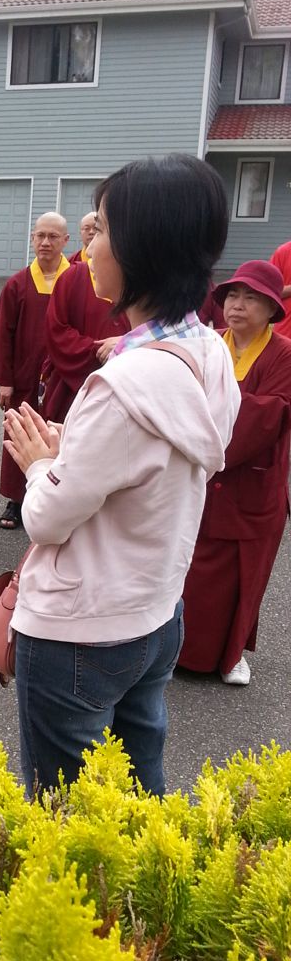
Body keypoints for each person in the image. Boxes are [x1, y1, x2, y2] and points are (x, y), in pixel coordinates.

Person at [4, 155, 241, 798]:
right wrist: (77, 454)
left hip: (81, 631)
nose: (87, 249)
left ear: (142, 248)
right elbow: (147, 468)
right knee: (141, 795)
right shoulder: (210, 352)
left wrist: (42, 464)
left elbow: (45, 518)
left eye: (102, 230)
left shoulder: (122, 384)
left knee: (66, 814)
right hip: (156, 612)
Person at [178, 260, 291, 686]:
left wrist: (200, 431)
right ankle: (178, 649)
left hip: (252, 481)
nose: (238, 305)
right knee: (192, 567)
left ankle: (231, 655)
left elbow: (269, 414)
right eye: (232, 296)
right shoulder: (208, 345)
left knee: (242, 574)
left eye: (251, 298)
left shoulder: (284, 354)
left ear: (272, 308)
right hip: (202, 477)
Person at [0, 212, 70, 530]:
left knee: (60, 435)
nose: (45, 242)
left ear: (65, 241)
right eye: (40, 235)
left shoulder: (76, 280)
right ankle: (16, 500)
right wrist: (5, 380)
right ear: (32, 239)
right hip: (25, 376)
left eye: (53, 236)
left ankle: (61, 499)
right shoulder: (18, 283)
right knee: (21, 433)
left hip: (64, 378)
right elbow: (3, 334)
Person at [41, 256, 130, 424]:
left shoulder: (146, 279)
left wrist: (127, 343)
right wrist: (97, 349)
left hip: (127, 389)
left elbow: (168, 331)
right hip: (72, 389)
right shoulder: (74, 277)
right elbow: (56, 328)